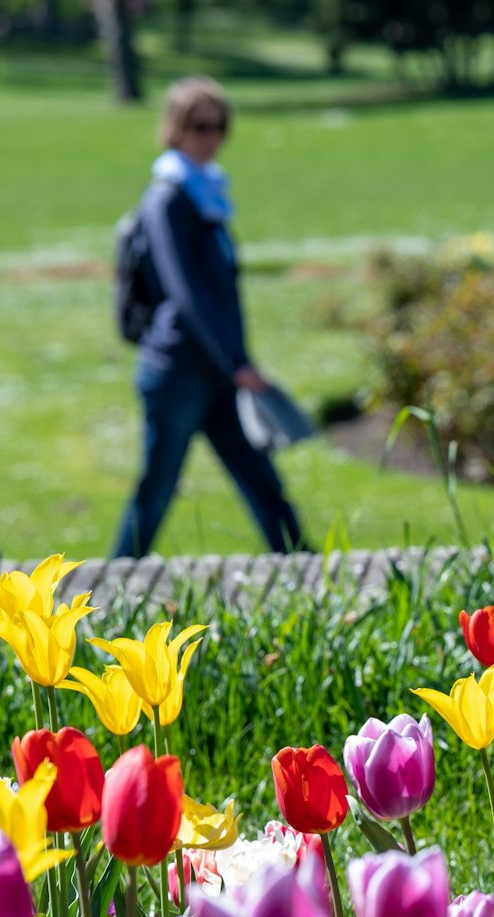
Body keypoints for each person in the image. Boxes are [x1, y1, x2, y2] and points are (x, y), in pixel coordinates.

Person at [111, 76, 306, 558]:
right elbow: (186, 292)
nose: (211, 137)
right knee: (155, 493)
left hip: (217, 373)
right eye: (200, 126)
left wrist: (234, 362)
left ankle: (310, 578)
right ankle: (105, 592)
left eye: (220, 126)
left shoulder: (208, 194)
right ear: (176, 129)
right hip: (178, 371)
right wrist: (237, 360)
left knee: (264, 484)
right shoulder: (169, 198)